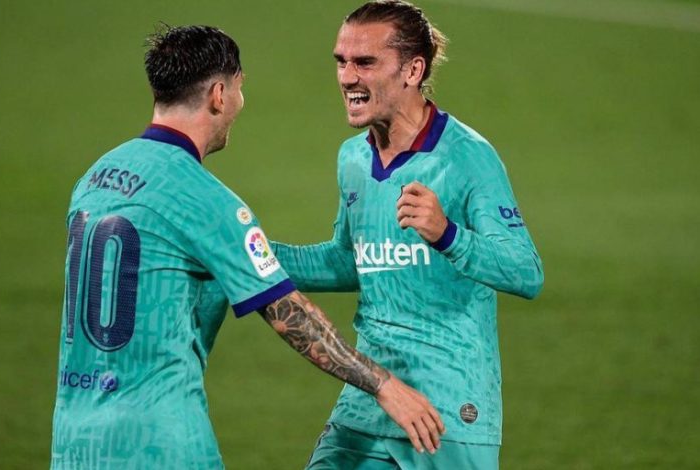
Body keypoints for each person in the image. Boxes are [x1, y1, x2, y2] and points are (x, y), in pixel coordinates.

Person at [49, 24, 444, 470]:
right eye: (239, 88)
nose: (239, 102)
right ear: (219, 94)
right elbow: (291, 316)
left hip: (75, 441)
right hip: (159, 442)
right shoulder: (202, 197)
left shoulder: (96, 178)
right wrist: (385, 386)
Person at [271, 1, 544, 468]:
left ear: (413, 70)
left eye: (365, 62)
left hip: (447, 410)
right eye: (341, 61)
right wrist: (243, 253)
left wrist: (448, 234)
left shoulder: (466, 158)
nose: (347, 77)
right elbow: (349, 261)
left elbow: (526, 272)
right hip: (368, 400)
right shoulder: (353, 158)